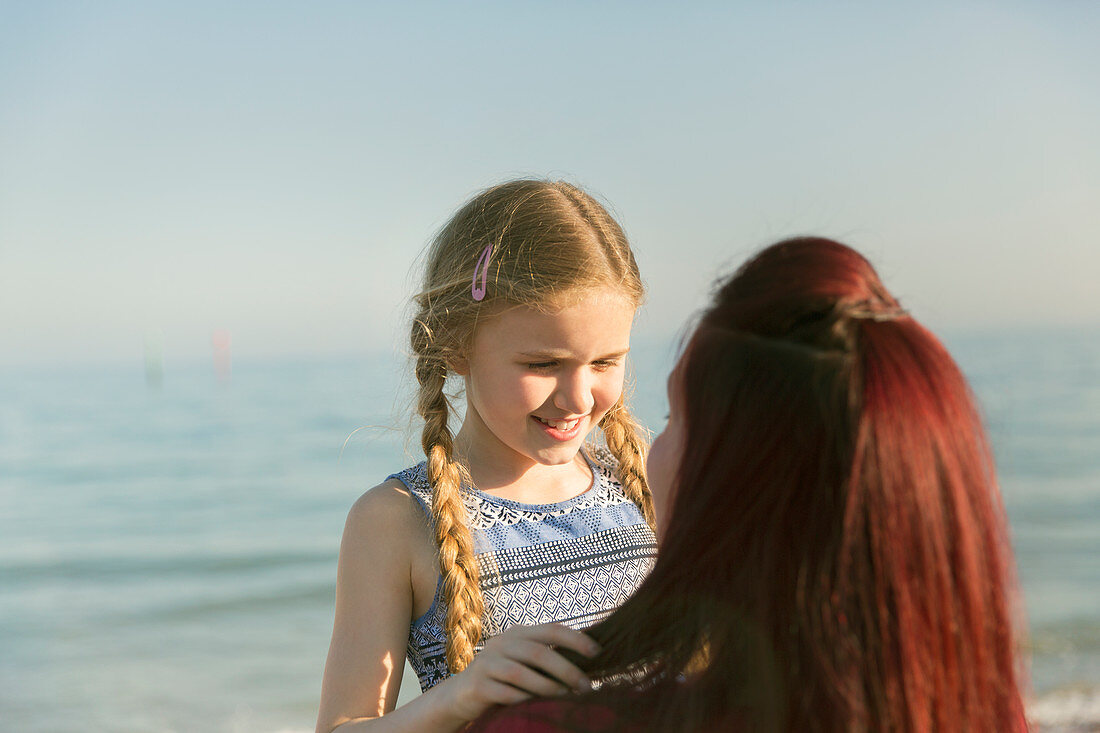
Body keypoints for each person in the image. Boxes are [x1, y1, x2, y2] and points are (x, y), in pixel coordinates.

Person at [470, 237, 1028, 732]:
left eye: (674, 420)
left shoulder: (545, 724)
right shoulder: (979, 711)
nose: (649, 449)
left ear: (731, 481)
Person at [315, 180, 659, 733]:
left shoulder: (647, 484)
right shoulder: (396, 520)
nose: (577, 398)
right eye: (542, 364)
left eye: (604, 362)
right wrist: (459, 697)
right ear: (455, 345)